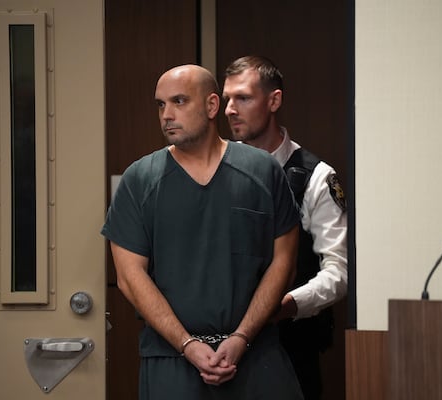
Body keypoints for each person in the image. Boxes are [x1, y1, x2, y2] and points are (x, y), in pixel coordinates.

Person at [101, 64, 304, 400]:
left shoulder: (262, 171)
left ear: (212, 106)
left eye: (179, 101)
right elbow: (129, 277)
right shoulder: (139, 179)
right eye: (160, 104)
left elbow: (284, 263)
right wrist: (187, 344)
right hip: (171, 361)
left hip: (255, 356)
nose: (167, 114)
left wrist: (242, 337)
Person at [223, 55, 348, 400]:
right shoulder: (215, 170)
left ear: (274, 100)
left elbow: (337, 274)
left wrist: (286, 305)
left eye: (243, 98)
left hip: (291, 345)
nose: (230, 109)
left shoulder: (315, 176)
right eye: (228, 99)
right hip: (220, 347)